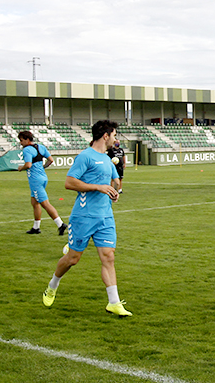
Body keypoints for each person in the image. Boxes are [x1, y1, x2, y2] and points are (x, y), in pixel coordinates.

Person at [42, 120, 132, 316]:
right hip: (84, 216)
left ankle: (114, 302)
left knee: (108, 256)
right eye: (114, 135)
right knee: (73, 259)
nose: (116, 139)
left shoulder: (108, 160)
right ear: (105, 136)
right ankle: (52, 284)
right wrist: (98, 187)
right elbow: (69, 182)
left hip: (105, 216)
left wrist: (113, 193)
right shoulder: (85, 156)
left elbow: (108, 184)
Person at [17, 131, 67, 235]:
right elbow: (50, 160)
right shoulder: (40, 147)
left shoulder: (27, 150)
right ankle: (36, 228)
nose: (20, 143)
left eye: (21, 140)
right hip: (43, 177)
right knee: (35, 202)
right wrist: (43, 167)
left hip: (35, 180)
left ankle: (60, 224)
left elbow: (28, 165)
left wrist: (21, 168)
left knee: (45, 203)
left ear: (27, 139)